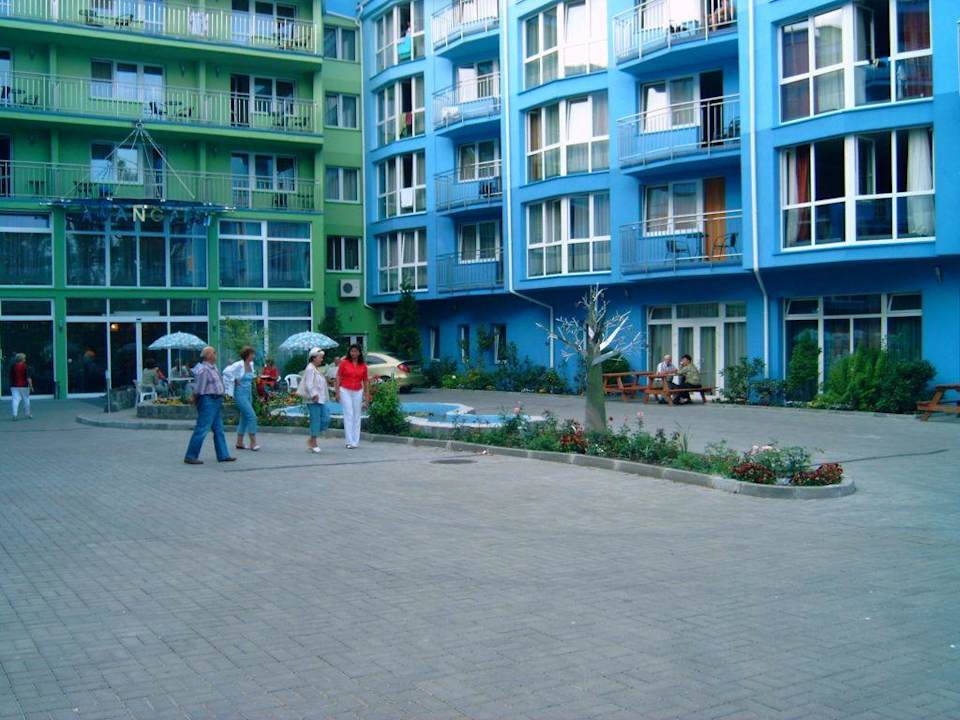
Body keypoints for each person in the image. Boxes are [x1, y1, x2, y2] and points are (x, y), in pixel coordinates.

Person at [183, 346, 235, 465]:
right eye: (214, 353)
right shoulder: (204, 370)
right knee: (202, 428)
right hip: (208, 400)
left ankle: (223, 455)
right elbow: (199, 388)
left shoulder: (213, 368)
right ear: (208, 355)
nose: (216, 355)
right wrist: (194, 400)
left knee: (219, 429)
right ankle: (191, 456)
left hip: (216, 400)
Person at [223, 346, 259, 452]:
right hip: (240, 393)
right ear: (247, 355)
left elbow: (250, 377)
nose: (254, 356)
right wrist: (234, 379)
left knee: (244, 417)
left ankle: (239, 442)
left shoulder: (251, 365)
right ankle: (253, 442)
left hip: (248, 393)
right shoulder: (239, 364)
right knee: (252, 416)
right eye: (252, 354)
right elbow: (226, 371)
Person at [336, 344, 370, 449]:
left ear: (359, 353)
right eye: (352, 351)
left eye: (355, 351)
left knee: (357, 415)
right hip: (345, 390)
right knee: (349, 414)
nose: (353, 353)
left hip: (358, 391)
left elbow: (365, 381)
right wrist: (337, 392)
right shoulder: (344, 363)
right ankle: (349, 441)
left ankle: (355, 441)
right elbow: (338, 377)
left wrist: (367, 397)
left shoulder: (363, 366)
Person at [299, 348, 330, 453]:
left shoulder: (315, 369)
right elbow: (309, 384)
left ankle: (312, 438)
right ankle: (314, 443)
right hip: (314, 399)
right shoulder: (310, 369)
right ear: (314, 358)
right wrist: (314, 394)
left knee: (326, 419)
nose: (322, 359)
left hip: (321, 399)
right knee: (315, 420)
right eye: (320, 357)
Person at [9, 353, 32, 421]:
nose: (25, 359)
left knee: (15, 400)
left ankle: (14, 415)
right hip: (24, 386)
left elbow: (10, 376)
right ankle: (27, 414)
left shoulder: (13, 367)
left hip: (14, 386)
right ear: (22, 359)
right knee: (26, 400)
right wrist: (31, 386)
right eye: (24, 358)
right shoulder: (26, 367)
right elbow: (28, 378)